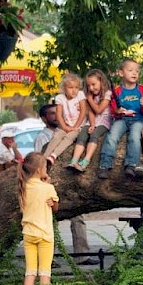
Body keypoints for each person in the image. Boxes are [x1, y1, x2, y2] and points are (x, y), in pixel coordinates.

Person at [34, 104, 99, 266]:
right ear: (43, 118)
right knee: (50, 220)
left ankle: (82, 254)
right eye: (51, 114)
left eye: (58, 113)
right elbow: (38, 160)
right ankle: (49, 256)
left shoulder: (69, 132)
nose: (56, 116)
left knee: (78, 217)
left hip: (68, 181)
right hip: (51, 181)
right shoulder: (43, 137)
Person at [98, 59, 143, 179]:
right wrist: (117, 111)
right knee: (112, 136)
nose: (134, 73)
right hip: (122, 119)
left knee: (135, 137)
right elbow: (113, 110)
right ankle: (105, 165)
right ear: (121, 73)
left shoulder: (141, 89)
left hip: (138, 119)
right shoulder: (117, 90)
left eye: (137, 71)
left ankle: (131, 165)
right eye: (130, 70)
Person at [18, 152, 60, 285]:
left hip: (28, 234)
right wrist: (51, 199)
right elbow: (55, 208)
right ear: (38, 170)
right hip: (45, 235)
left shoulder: (23, 186)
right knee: (45, 273)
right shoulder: (48, 188)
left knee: (30, 272)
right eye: (45, 167)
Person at [67, 69, 112, 172]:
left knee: (94, 134)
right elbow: (91, 112)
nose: (91, 88)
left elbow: (99, 110)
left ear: (101, 81)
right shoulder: (91, 95)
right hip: (92, 120)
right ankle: (74, 160)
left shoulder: (107, 93)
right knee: (83, 134)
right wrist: (92, 124)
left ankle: (86, 160)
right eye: (88, 86)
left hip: (104, 121)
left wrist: (90, 99)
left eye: (93, 84)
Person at [43, 73, 87, 165]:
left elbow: (83, 112)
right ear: (64, 88)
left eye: (76, 87)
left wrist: (75, 127)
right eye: (71, 88)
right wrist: (64, 127)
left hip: (78, 126)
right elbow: (59, 115)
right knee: (56, 136)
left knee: (69, 138)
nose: (74, 90)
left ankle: (54, 155)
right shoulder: (60, 98)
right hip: (65, 125)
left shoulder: (80, 95)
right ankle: (44, 157)